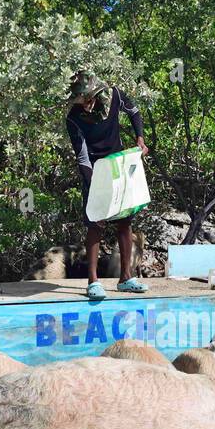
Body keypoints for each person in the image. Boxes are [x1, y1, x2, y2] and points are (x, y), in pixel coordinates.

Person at [66, 71, 150, 298]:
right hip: (94, 169)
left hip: (118, 165)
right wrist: (97, 191)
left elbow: (134, 111)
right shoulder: (73, 119)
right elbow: (82, 158)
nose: (83, 105)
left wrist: (139, 138)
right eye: (79, 101)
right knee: (96, 222)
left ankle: (126, 277)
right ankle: (93, 282)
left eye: (86, 99)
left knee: (124, 221)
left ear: (95, 94)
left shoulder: (114, 97)